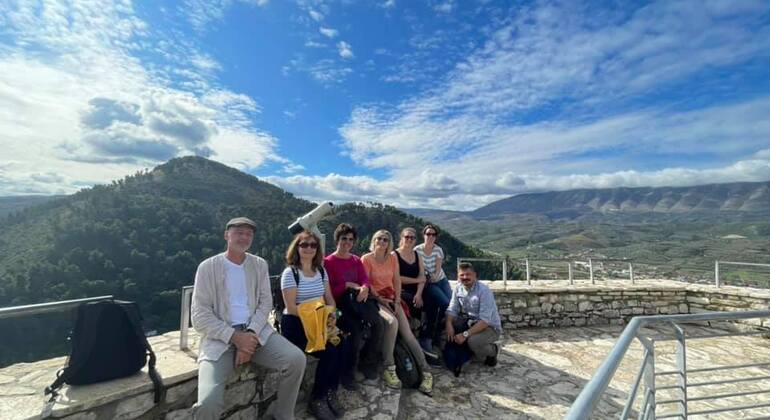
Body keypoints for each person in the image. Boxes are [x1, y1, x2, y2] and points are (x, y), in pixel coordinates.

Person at [191, 217, 306, 420]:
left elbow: (265, 303)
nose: (244, 237)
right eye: (239, 232)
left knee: (296, 360)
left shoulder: (259, 265)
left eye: (249, 234)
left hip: (257, 332)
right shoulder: (207, 267)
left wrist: (250, 335)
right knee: (208, 402)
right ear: (226, 235)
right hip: (219, 340)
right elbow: (199, 316)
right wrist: (235, 337)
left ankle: (284, 415)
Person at [280, 230, 348, 420]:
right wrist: (318, 317)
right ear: (297, 248)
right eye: (304, 245)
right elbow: (291, 307)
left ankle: (331, 391)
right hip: (297, 325)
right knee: (329, 352)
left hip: (319, 322)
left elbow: (330, 299)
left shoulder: (321, 271)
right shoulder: (291, 273)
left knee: (343, 343)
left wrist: (331, 315)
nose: (309, 248)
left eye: (313, 245)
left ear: (317, 249)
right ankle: (317, 398)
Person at [361, 229, 433, 394]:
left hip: (392, 298)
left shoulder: (392, 258)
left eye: (385, 240)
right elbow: (366, 283)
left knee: (408, 333)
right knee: (392, 323)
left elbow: (396, 280)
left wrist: (398, 300)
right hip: (375, 300)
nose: (382, 242)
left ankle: (426, 370)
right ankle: (390, 367)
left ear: (389, 243)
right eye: (379, 238)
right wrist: (380, 299)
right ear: (373, 240)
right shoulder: (367, 259)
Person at [324, 223, 383, 386]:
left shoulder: (356, 260)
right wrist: (347, 285)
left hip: (357, 305)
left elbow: (365, 279)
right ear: (337, 239)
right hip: (340, 307)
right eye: (344, 238)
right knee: (354, 332)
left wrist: (364, 287)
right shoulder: (328, 262)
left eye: (351, 239)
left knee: (378, 325)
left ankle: (368, 364)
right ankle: (347, 374)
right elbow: (329, 290)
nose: (347, 242)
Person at [445, 262, 503, 368]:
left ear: (475, 275)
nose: (465, 277)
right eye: (462, 275)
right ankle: (466, 354)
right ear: (458, 276)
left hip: (490, 327)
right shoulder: (458, 288)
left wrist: (465, 335)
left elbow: (485, 321)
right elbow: (452, 308)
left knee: (473, 341)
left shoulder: (484, 291)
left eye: (468, 274)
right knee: (450, 328)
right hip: (471, 322)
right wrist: (448, 324)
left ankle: (493, 351)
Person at [394, 227, 436, 359]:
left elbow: (422, 275)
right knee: (411, 301)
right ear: (401, 238)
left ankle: (426, 338)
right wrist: (417, 281)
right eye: (407, 237)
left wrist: (419, 293)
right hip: (401, 289)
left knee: (432, 302)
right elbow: (396, 278)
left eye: (412, 238)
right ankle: (411, 336)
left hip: (417, 289)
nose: (409, 239)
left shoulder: (417, 255)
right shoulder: (394, 255)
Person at [415, 224, 452, 355]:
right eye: (428, 234)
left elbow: (438, 269)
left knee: (451, 306)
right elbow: (419, 269)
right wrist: (428, 279)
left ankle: (438, 332)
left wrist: (435, 276)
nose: (430, 236)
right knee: (445, 303)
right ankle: (435, 334)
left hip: (441, 280)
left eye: (433, 234)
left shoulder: (438, 250)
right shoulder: (417, 250)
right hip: (429, 283)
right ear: (423, 235)